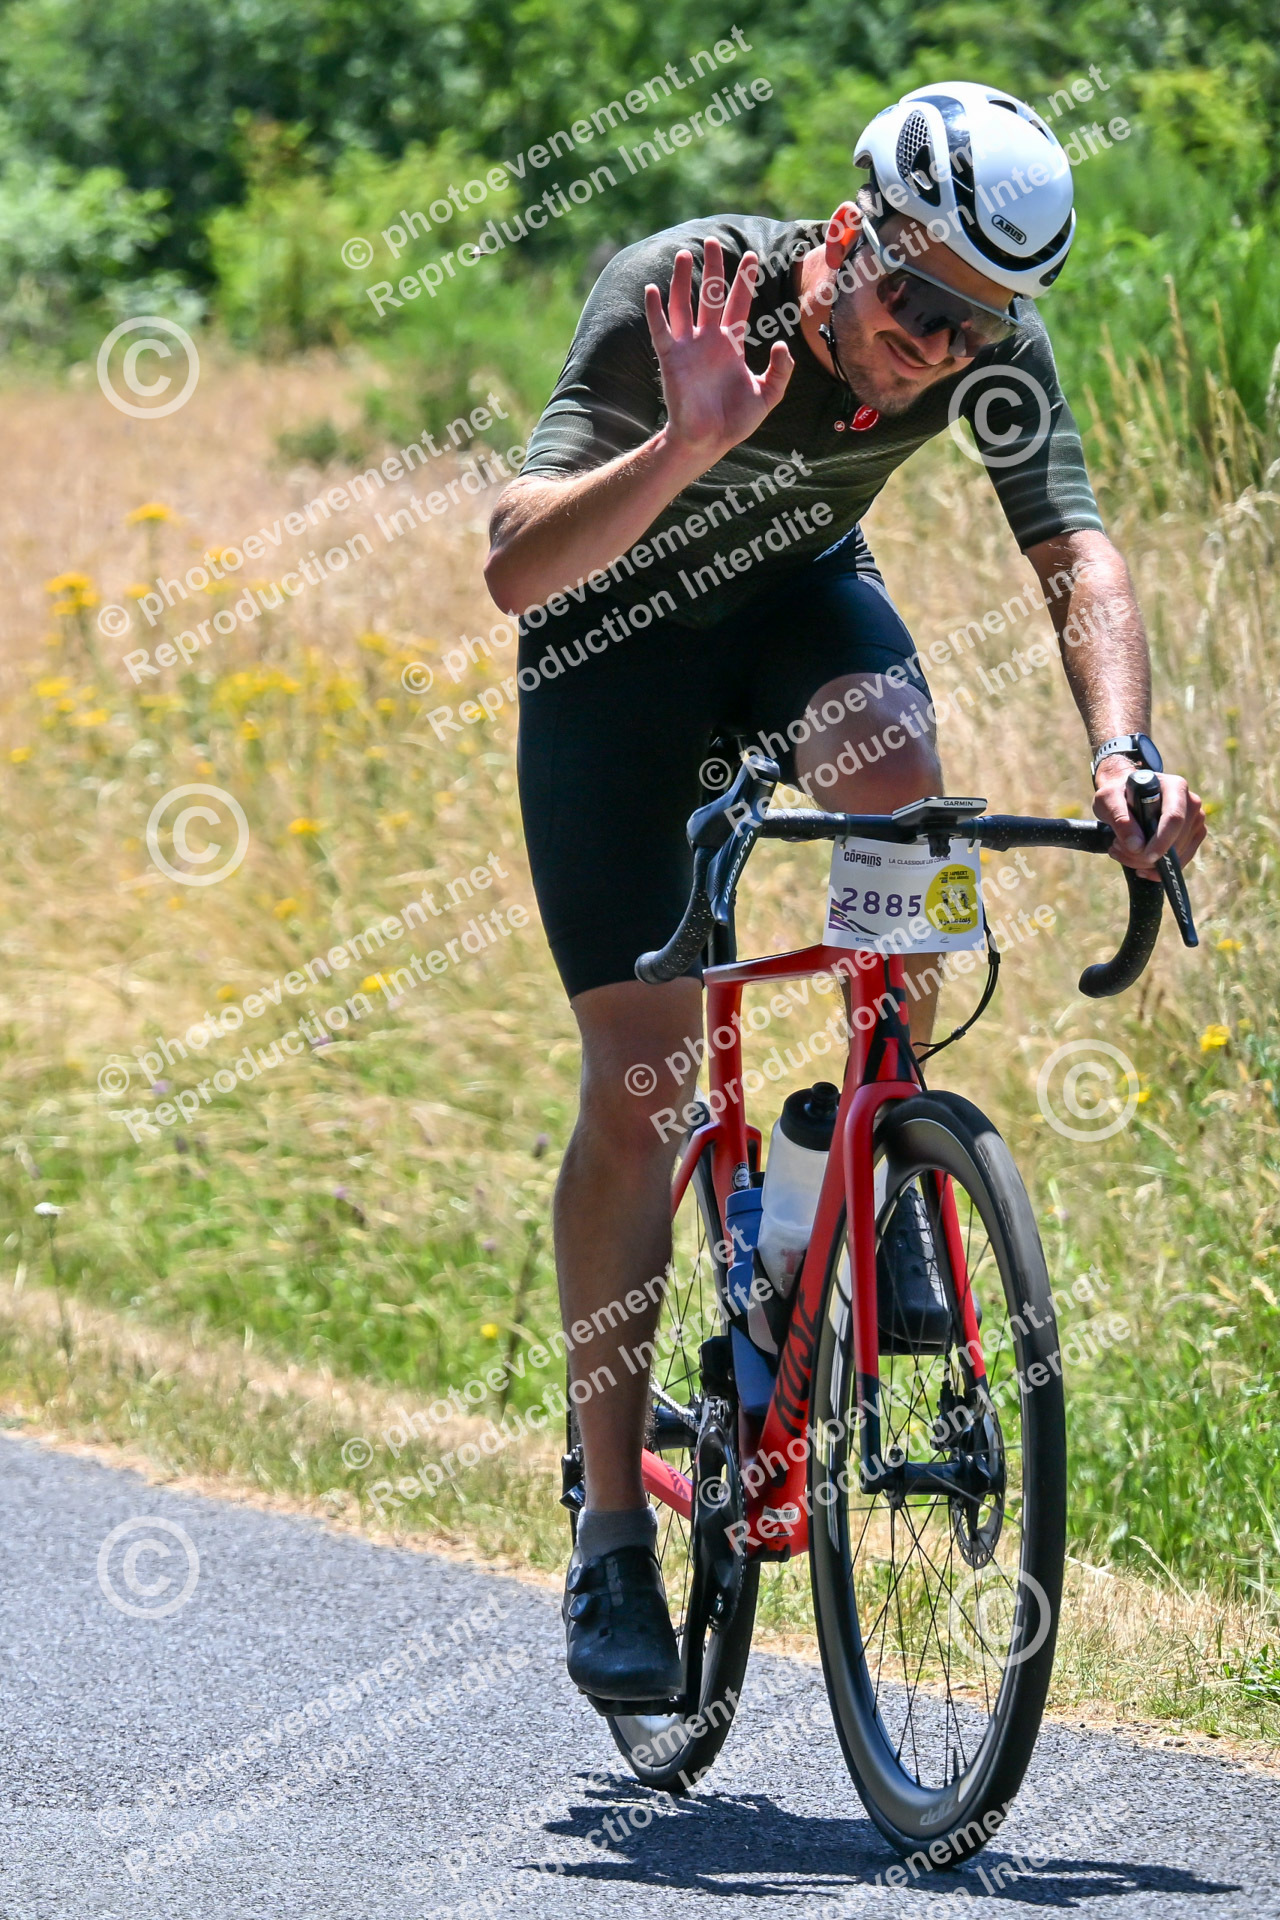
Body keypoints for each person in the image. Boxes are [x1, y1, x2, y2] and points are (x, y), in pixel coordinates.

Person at [483, 81, 1206, 1703]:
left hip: (801, 606)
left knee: (903, 791)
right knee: (648, 1080)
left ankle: (870, 1174)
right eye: (917, 303)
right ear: (848, 235)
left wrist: (1125, 752)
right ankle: (613, 1533)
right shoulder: (685, 290)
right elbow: (517, 564)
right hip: (613, 653)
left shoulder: (986, 345)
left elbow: (1075, 554)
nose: (935, 350)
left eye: (975, 327)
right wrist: (687, 442)